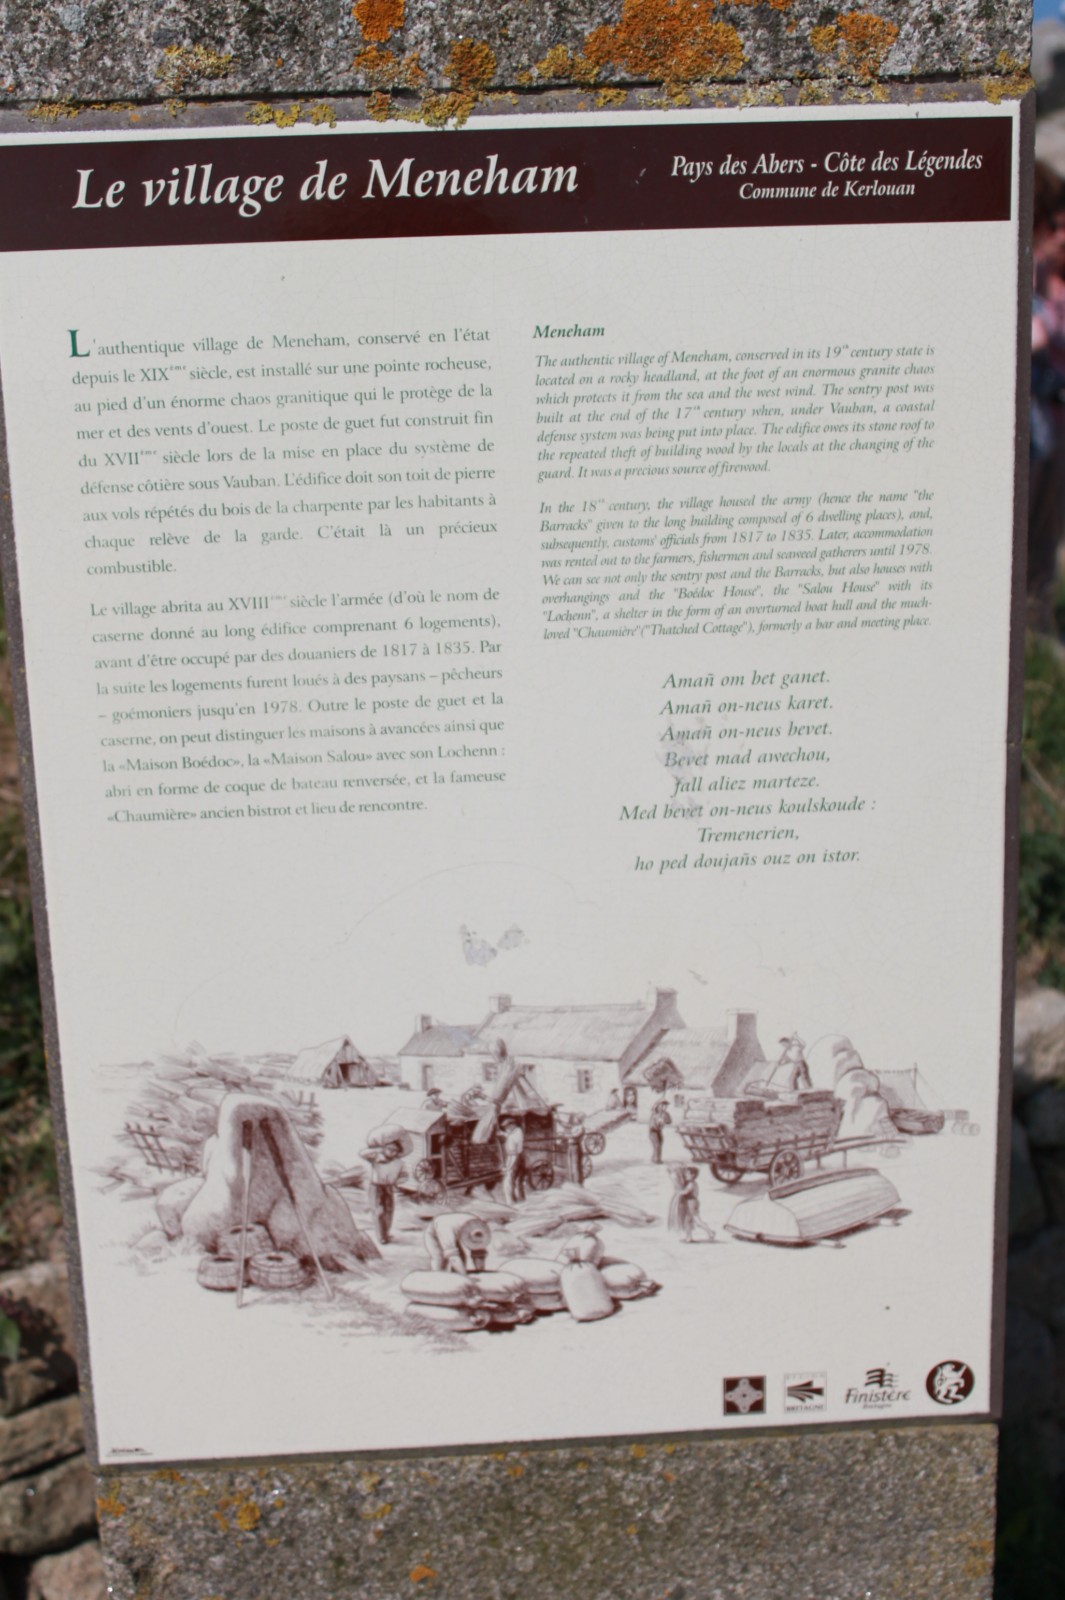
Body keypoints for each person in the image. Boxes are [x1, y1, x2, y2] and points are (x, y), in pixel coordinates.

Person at [359, 1131, 407, 1246]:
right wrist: (379, 1150)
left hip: (389, 1188)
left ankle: (386, 1234)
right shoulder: (376, 1157)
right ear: (384, 1149)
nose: (392, 1152)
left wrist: (397, 1182)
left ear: (398, 1152)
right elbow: (362, 1154)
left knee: (389, 1211)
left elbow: (405, 1176)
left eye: (395, 1150)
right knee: (379, 1211)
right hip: (376, 1187)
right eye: (389, 1149)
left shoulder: (399, 1163)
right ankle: (382, 1237)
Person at [423, 1211, 490, 1273]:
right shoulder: (446, 1229)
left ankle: (457, 1275)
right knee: (439, 1258)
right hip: (434, 1233)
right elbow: (453, 1257)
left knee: (462, 1257)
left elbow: (479, 1252)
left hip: (456, 1231)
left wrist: (480, 1271)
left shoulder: (478, 1226)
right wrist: (464, 1276)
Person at [668, 1165, 715, 1244]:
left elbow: (685, 1192)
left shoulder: (691, 1184)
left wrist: (678, 1191)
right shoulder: (690, 1183)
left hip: (691, 1203)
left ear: (692, 1175)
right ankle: (689, 1237)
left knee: (696, 1221)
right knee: (688, 1221)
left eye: (687, 1174)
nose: (685, 1175)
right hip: (690, 1203)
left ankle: (710, 1232)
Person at [500, 1115, 526, 1205]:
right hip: (516, 1157)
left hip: (515, 1157)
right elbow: (509, 1135)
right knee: (517, 1181)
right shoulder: (516, 1131)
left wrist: (508, 1166)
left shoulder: (516, 1133)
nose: (505, 1129)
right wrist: (502, 1134)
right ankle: (520, 1199)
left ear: (512, 1125)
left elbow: (514, 1152)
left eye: (506, 1127)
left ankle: (511, 1202)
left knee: (508, 1181)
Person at [648, 1096, 671, 1163]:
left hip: (659, 1131)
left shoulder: (665, 1114)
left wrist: (664, 1120)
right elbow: (652, 1124)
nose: (664, 1107)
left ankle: (655, 1158)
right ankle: (656, 1159)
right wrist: (657, 1122)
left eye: (666, 1106)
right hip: (653, 1131)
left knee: (660, 1144)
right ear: (658, 1106)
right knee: (656, 1145)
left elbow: (669, 1121)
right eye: (662, 1105)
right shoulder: (655, 1114)